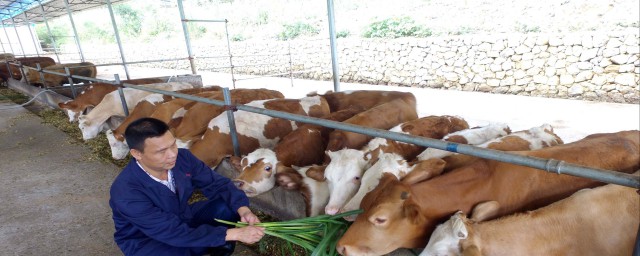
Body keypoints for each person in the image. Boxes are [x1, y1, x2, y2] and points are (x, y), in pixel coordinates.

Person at [109, 117, 265, 256]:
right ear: (137, 154)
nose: (172, 154)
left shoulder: (183, 158)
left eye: (173, 145)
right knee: (177, 249)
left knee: (228, 206)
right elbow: (172, 232)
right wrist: (234, 234)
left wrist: (244, 210)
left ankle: (220, 250)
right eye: (161, 151)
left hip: (183, 216)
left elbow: (218, 184)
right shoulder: (126, 192)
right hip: (148, 239)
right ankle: (211, 242)